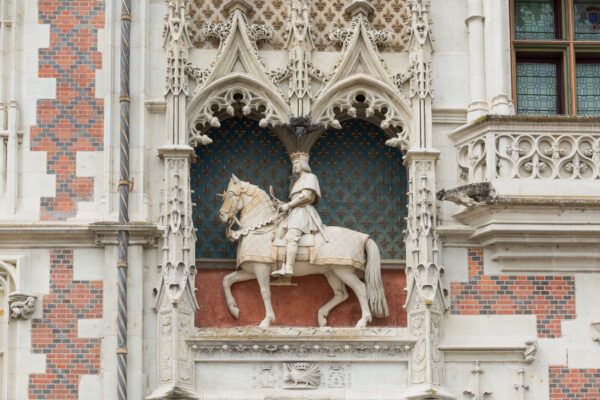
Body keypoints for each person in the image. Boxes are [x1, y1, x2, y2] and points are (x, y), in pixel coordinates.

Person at [272, 152, 327, 276]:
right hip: (294, 212)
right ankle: (282, 265)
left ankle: (288, 268)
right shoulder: (299, 180)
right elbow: (295, 199)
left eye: (297, 163)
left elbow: (306, 197)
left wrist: (289, 205)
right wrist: (282, 204)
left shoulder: (310, 177)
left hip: (303, 212)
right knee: (280, 234)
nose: (294, 166)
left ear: (303, 164)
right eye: (294, 163)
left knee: (292, 237)